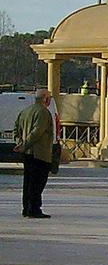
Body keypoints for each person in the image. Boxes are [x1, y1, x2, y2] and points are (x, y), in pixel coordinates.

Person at [13, 89, 55, 218]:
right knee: (38, 182)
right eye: (49, 97)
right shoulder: (43, 112)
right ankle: (34, 209)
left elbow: (16, 130)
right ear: (44, 98)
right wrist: (25, 145)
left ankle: (27, 207)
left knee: (28, 182)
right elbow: (37, 132)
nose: (50, 100)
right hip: (39, 153)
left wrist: (20, 144)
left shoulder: (25, 111)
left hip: (28, 153)